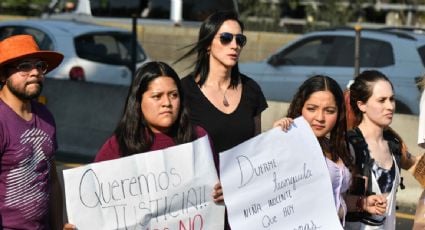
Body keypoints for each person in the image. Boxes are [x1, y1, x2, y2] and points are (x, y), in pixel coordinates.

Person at [63, 61, 224, 229]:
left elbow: (219, 193)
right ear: (138, 102)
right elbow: (92, 208)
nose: (167, 103)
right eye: (157, 96)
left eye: (173, 95)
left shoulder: (198, 139)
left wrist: (225, 192)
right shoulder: (117, 146)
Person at [273, 75, 387, 227]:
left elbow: (335, 200)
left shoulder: (336, 148)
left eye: (329, 110)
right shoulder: (287, 145)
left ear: (339, 113)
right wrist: (273, 142)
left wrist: (362, 203)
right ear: (300, 108)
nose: (320, 117)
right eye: (312, 109)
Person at [176, 10, 268, 155]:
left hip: (244, 176)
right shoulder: (184, 90)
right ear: (207, 44)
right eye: (226, 38)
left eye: (240, 40)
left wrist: (278, 134)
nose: (234, 45)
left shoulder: (251, 89)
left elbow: (257, 148)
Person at [0, 34, 64, 229]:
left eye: (39, 65)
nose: (35, 72)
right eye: (24, 66)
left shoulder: (46, 116)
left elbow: (51, 181)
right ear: (2, 75)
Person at [344, 70, 417, 230]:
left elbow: (417, 166)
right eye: (381, 100)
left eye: (392, 99)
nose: (390, 106)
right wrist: (360, 203)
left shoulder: (395, 145)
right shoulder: (349, 145)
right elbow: (330, 200)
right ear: (361, 105)